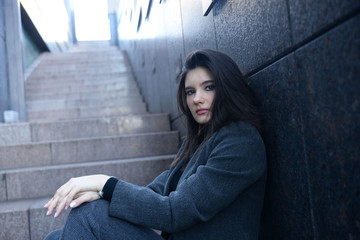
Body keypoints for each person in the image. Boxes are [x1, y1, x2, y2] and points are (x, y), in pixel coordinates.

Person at [44, 49, 267, 240]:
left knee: (90, 215)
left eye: (208, 87)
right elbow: (153, 195)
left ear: (227, 88)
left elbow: (174, 212)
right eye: (190, 92)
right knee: (57, 237)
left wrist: (104, 183)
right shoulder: (196, 143)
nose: (197, 98)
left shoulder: (241, 141)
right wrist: (102, 194)